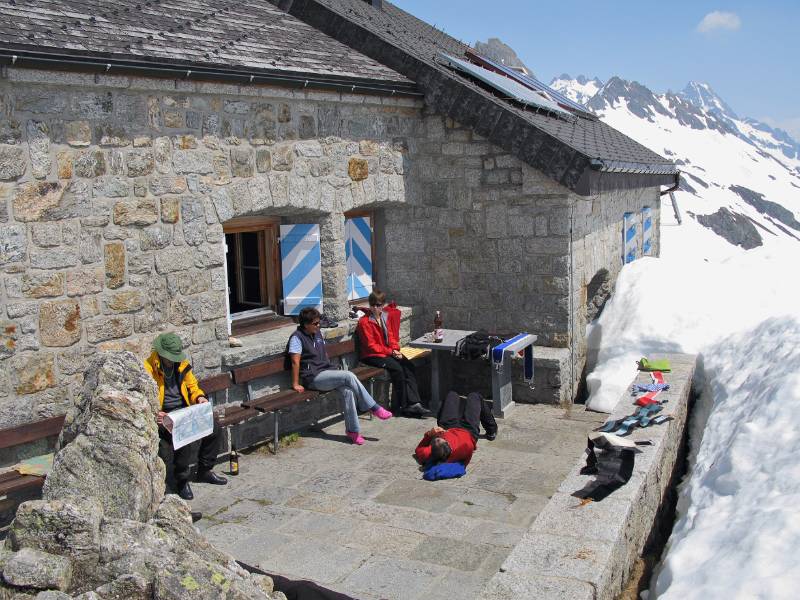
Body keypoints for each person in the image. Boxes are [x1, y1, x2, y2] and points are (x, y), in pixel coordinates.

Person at [288, 307, 392, 445]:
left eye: (319, 323)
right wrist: (295, 383)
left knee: (348, 392)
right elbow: (295, 361)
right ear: (306, 324)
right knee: (348, 375)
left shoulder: (317, 333)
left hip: (326, 372)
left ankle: (353, 432)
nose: (319, 326)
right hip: (313, 378)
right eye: (315, 323)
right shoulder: (297, 337)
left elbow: (322, 355)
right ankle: (373, 407)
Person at [144, 332, 228, 501]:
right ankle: (182, 481)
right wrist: (155, 412)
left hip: (184, 409)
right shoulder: (148, 368)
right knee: (183, 434)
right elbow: (145, 397)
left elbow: (192, 386)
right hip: (164, 414)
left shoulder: (182, 365)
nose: (173, 360)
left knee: (214, 427)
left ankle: (205, 470)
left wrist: (199, 397)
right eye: (170, 357)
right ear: (161, 354)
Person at [356, 290, 430, 418]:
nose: (375, 308)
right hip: (371, 355)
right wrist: (391, 351)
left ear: (383, 305)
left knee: (408, 365)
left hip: (385, 352)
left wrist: (395, 349)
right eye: (372, 304)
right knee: (397, 369)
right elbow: (371, 346)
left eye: (378, 305)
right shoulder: (365, 322)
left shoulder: (384, 316)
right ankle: (403, 406)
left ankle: (414, 402)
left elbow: (390, 336)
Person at [414, 391, 485, 467]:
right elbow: (469, 452)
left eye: (436, 440)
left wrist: (429, 434)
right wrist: (472, 446)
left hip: (449, 427)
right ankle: (491, 428)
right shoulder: (463, 449)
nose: (438, 438)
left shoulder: (427, 453)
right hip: (469, 431)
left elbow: (418, 449)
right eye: (440, 439)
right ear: (448, 445)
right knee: (474, 396)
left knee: (452, 395)